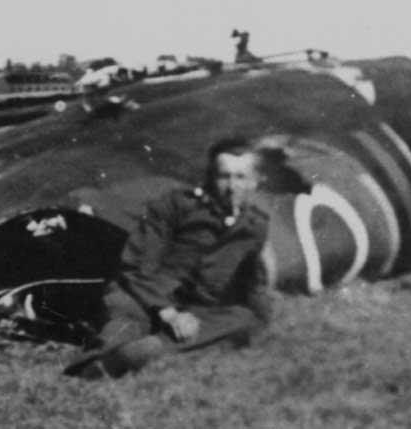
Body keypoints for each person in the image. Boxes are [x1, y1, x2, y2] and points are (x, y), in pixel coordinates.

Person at [65, 137, 273, 378]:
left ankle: (147, 351)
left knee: (243, 318)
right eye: (224, 176)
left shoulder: (255, 226)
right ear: (210, 178)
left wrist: (262, 319)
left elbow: (252, 281)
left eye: (241, 178)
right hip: (145, 294)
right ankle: (97, 362)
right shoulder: (176, 206)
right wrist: (170, 313)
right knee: (126, 315)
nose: (232, 186)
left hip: (196, 307)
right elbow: (138, 265)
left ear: (255, 182)